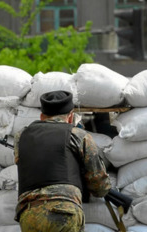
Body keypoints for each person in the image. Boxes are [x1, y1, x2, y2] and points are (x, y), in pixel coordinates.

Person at [14, 90, 111, 232]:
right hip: (64, 211)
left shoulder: (20, 136)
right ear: (71, 116)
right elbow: (99, 187)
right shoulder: (78, 135)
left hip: (29, 214)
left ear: (42, 116)